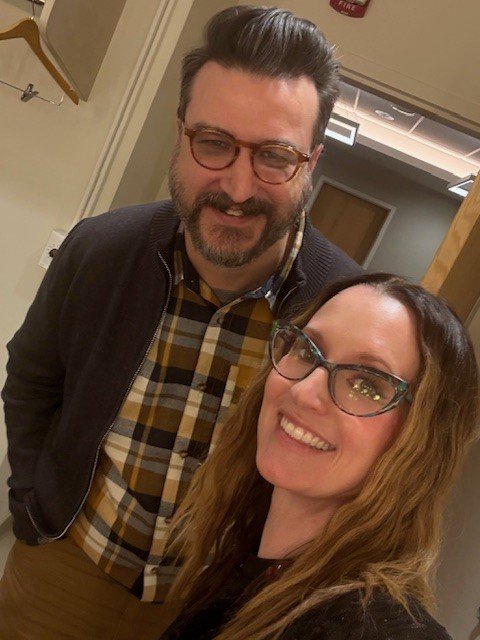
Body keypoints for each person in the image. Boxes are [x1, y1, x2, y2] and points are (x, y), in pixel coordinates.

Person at [0, 5, 360, 639]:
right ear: (180, 134)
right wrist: (32, 502)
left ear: (311, 162)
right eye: (213, 143)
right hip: (67, 567)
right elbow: (32, 378)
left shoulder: (345, 308)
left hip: (217, 613)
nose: (238, 188)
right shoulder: (99, 248)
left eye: (275, 156)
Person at [160, 272, 479, 640]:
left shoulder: (373, 629)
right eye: (305, 350)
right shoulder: (245, 557)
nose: (303, 392)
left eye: (366, 384)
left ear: (421, 442)